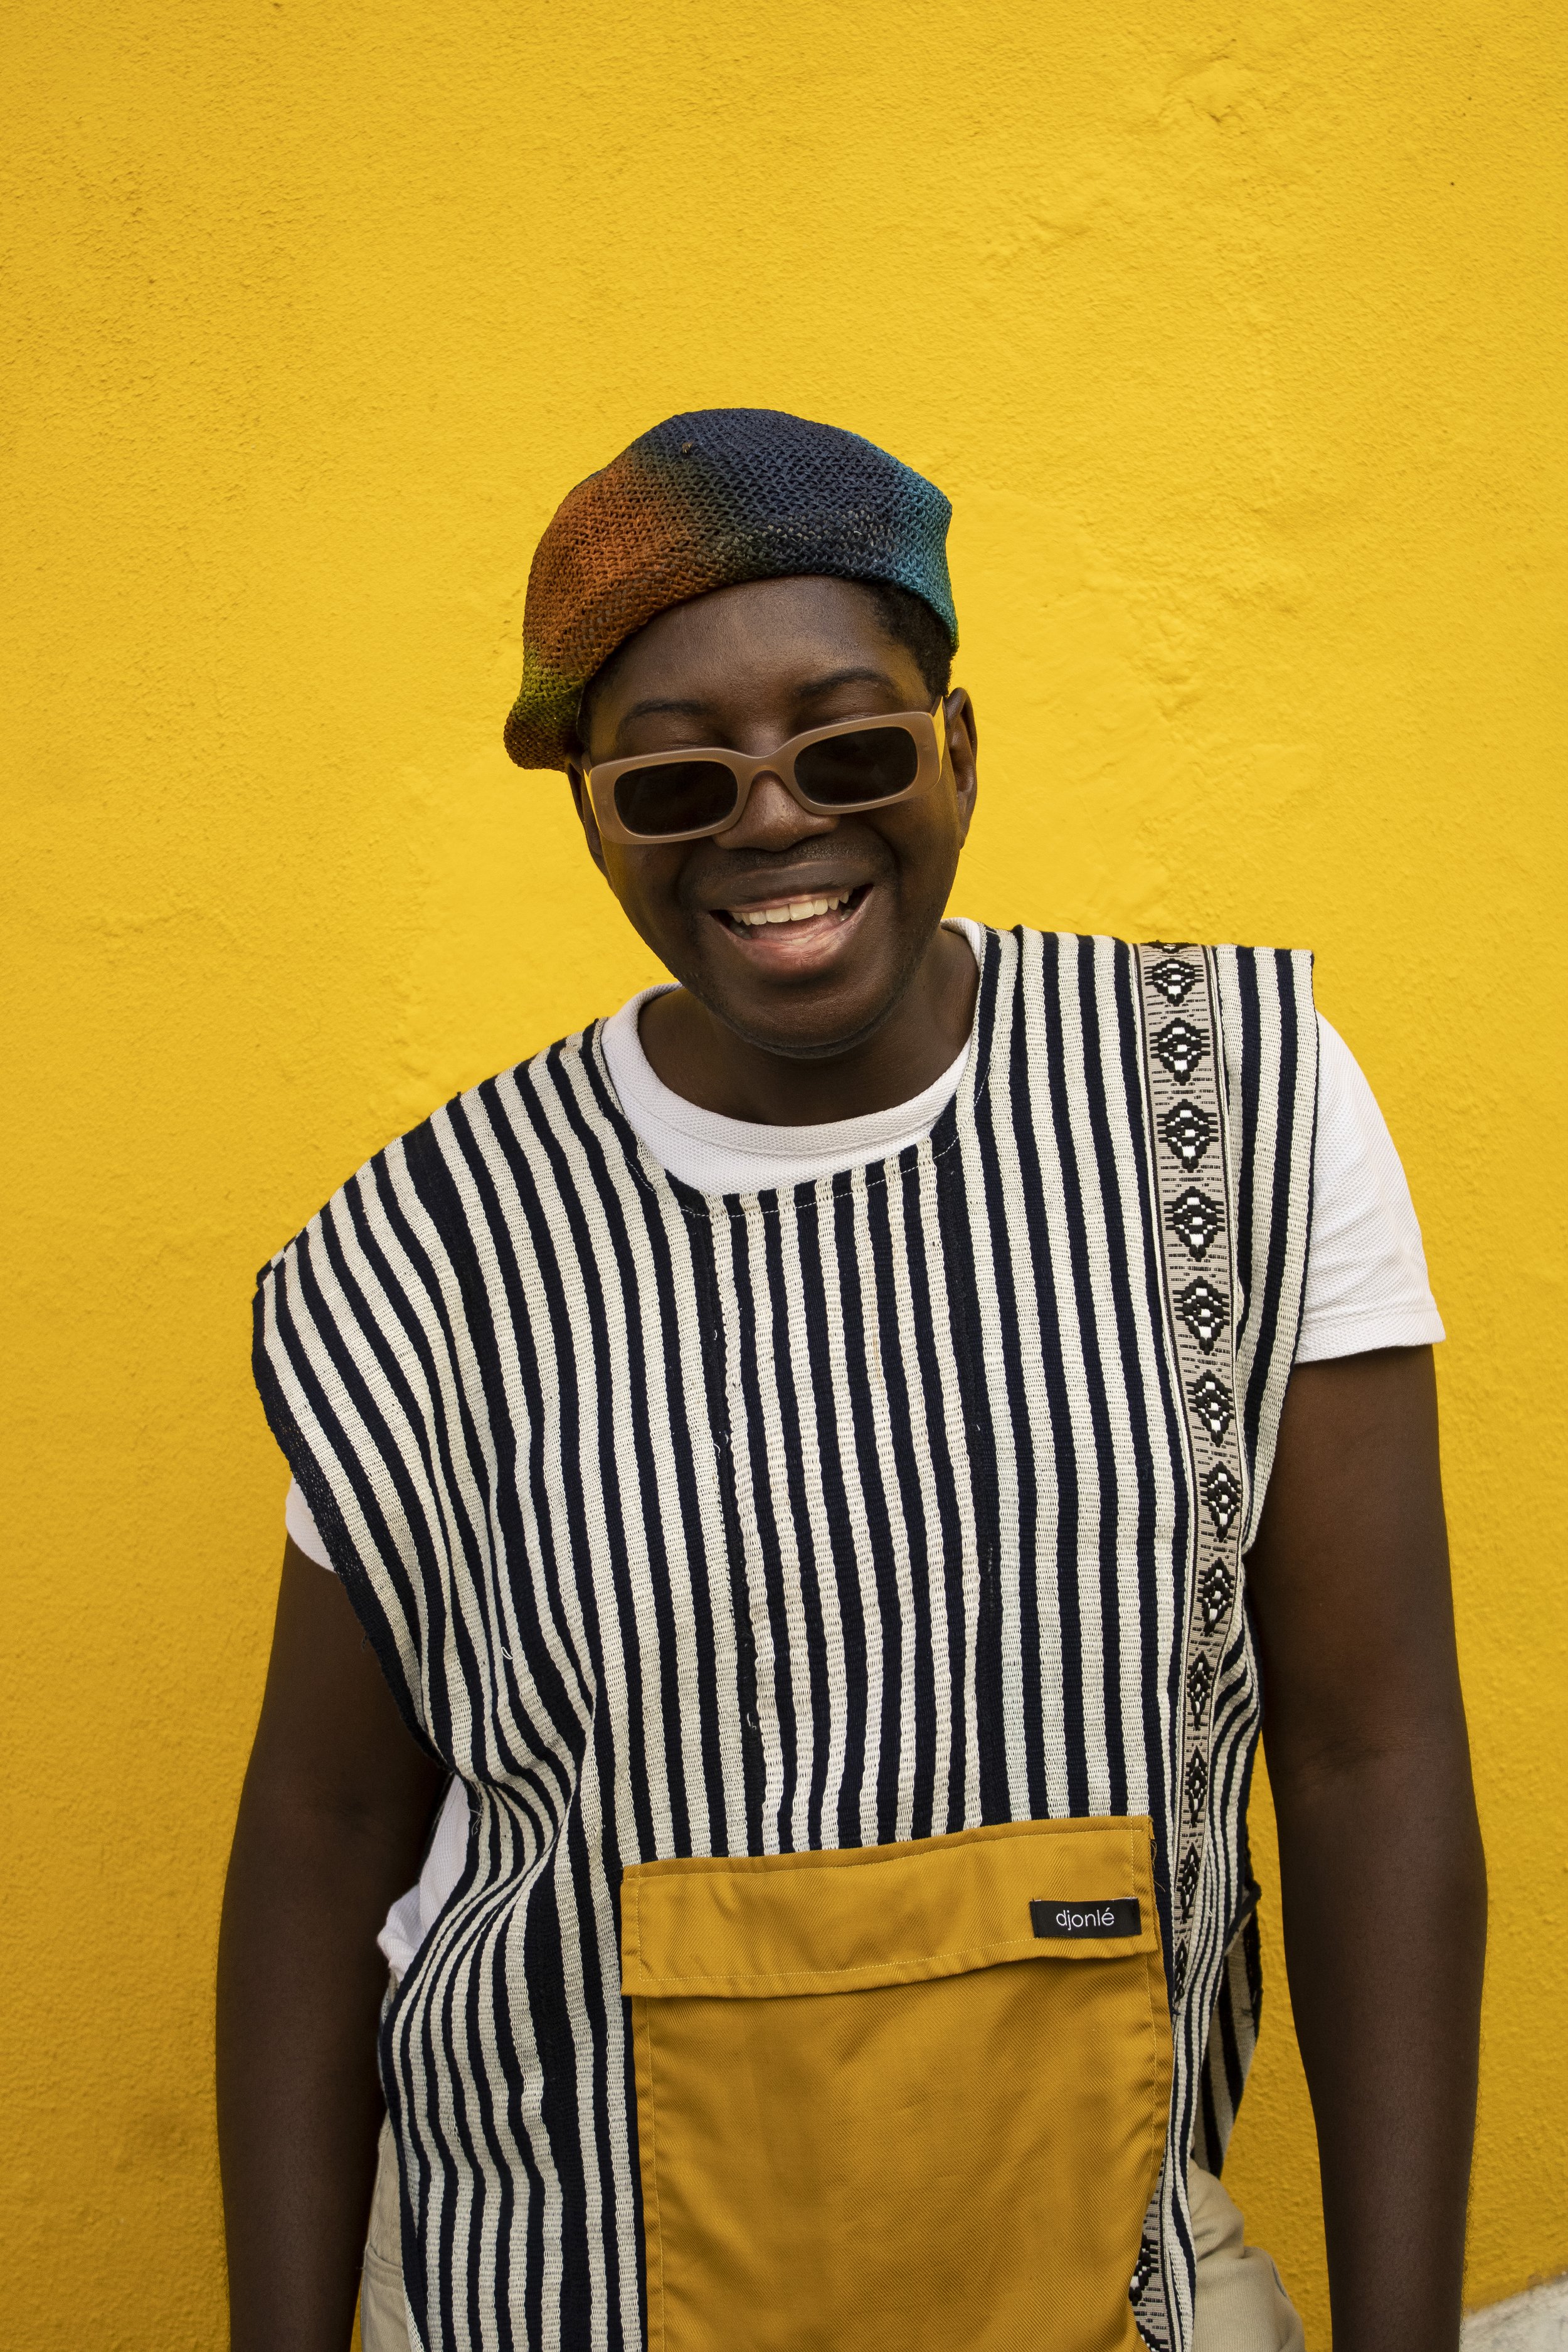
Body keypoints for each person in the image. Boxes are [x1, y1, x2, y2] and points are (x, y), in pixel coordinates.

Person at [218, 409, 1485, 2352]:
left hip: (1105, 2285)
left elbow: (1367, 1754)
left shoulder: (1229, 1109)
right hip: (545, 2296)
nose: (773, 822)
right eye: (671, 782)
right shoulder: (438, 1253)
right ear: (588, 813)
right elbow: (316, 1849)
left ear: (956, 748)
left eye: (851, 744)